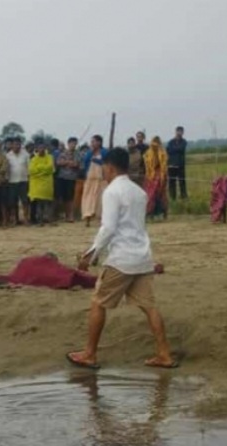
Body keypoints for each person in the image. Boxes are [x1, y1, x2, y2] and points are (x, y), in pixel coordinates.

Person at [67, 148, 176, 370]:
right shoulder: (139, 192)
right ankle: (164, 353)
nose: (103, 172)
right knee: (149, 307)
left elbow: (108, 228)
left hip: (121, 259)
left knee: (98, 302)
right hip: (142, 257)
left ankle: (89, 354)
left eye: (104, 168)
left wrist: (91, 254)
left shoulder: (111, 192)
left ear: (110, 167)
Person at [80, 135, 108, 227]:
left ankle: (101, 219)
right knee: (88, 199)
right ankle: (87, 218)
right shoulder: (89, 152)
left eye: (94, 141)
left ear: (99, 142)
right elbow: (85, 162)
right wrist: (91, 154)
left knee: (100, 200)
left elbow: (106, 163)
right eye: (91, 142)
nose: (92, 143)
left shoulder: (104, 152)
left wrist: (96, 160)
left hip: (101, 180)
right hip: (90, 180)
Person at [28, 141, 55, 225]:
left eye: (43, 148)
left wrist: (39, 170)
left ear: (45, 149)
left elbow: (50, 167)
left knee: (48, 203)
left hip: (47, 184)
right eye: (40, 148)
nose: (41, 150)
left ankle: (50, 220)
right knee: (39, 204)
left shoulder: (50, 157)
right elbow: (31, 170)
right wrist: (44, 171)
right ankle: (40, 221)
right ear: (37, 149)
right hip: (37, 185)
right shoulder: (33, 159)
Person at [55, 137, 80, 223]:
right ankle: (63, 215)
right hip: (62, 177)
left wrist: (66, 162)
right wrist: (68, 162)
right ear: (68, 144)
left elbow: (76, 164)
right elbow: (58, 163)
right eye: (72, 143)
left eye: (75, 144)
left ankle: (70, 215)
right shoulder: (63, 153)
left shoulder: (77, 154)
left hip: (71, 178)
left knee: (70, 197)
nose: (73, 145)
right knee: (61, 197)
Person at [5, 137, 30, 226]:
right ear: (12, 145)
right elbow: (6, 169)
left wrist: (29, 178)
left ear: (21, 145)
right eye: (15, 144)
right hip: (12, 181)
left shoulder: (26, 154)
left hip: (24, 181)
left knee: (25, 201)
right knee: (12, 202)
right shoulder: (8, 155)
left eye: (18, 144)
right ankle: (14, 219)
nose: (17, 146)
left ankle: (26, 218)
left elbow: (29, 167)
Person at [144, 136, 169, 220]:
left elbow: (164, 165)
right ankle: (150, 212)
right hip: (151, 176)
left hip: (161, 176)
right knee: (151, 194)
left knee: (161, 195)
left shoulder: (162, 152)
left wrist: (162, 175)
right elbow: (148, 164)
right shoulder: (148, 153)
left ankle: (163, 212)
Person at [166, 126, 188, 200]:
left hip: (180, 165)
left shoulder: (184, 142)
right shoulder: (170, 142)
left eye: (181, 131)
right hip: (171, 165)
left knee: (182, 182)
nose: (179, 133)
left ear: (183, 133)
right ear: (175, 132)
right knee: (172, 183)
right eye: (178, 131)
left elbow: (181, 148)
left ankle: (184, 197)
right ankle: (173, 198)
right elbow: (168, 150)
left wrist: (173, 149)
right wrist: (175, 149)